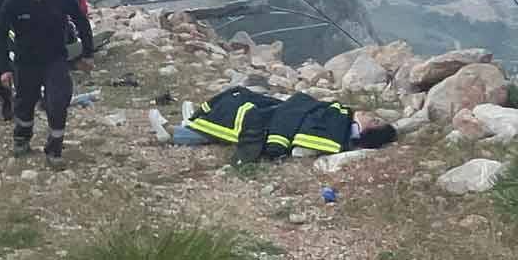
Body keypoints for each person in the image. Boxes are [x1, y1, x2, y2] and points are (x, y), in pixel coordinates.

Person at [0, 0, 94, 167]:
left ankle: (54, 150)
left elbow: (81, 22)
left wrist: (88, 53)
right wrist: (3, 68)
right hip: (25, 61)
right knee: (25, 103)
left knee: (58, 102)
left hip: (55, 58)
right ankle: (21, 139)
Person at [163, 86, 398, 162]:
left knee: (244, 117)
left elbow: (306, 136)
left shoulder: (338, 128)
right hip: (282, 112)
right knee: (242, 97)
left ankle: (178, 133)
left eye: (375, 120)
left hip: (275, 123)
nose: (369, 114)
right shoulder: (340, 117)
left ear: (367, 132)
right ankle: (192, 121)